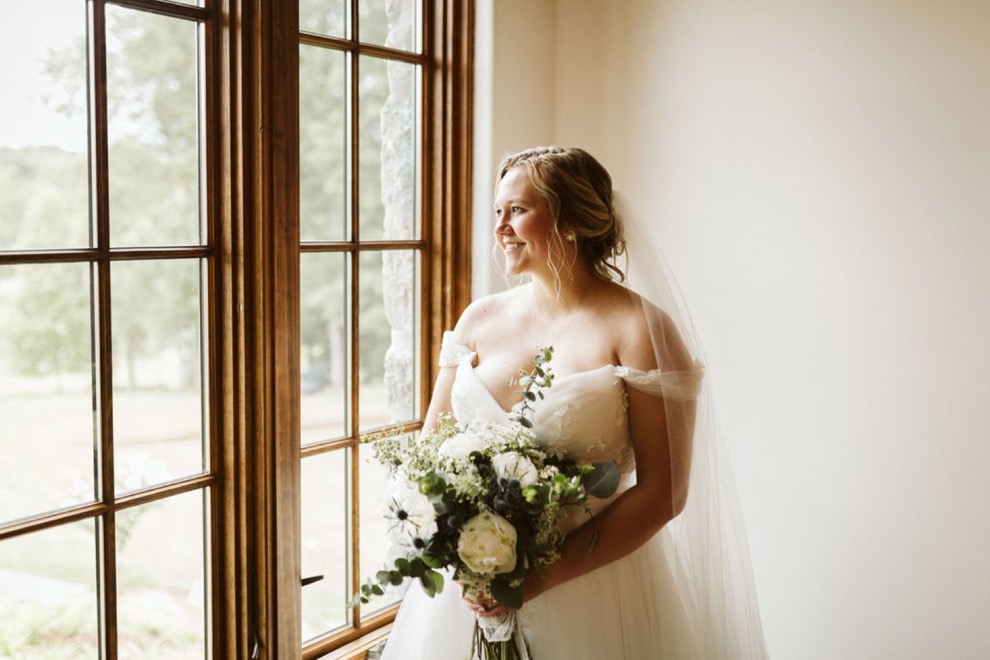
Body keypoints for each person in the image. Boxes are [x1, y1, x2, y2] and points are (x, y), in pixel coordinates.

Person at [380, 146, 767, 659]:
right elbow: (430, 455)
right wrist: (460, 554)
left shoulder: (638, 330)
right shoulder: (479, 319)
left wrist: (536, 579)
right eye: (498, 212)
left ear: (572, 222)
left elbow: (665, 492)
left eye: (517, 210)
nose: (500, 228)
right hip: (468, 597)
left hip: (591, 587)